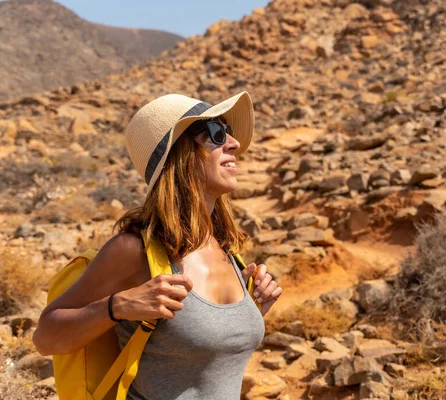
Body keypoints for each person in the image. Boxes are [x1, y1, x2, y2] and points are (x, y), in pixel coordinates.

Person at [32, 91, 283, 400]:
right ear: (180, 156)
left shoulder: (227, 250)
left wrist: (253, 307)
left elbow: (201, 353)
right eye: (216, 134)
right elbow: (46, 337)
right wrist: (119, 306)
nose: (234, 144)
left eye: (228, 132)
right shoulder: (133, 251)